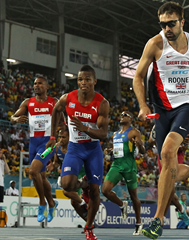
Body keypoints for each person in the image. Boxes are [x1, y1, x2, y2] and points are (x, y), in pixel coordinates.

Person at [133, 2, 189, 239]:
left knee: (169, 151)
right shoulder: (155, 44)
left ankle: (157, 220)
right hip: (161, 110)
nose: (167, 29)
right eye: (163, 25)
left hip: (186, 107)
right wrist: (142, 105)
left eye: (171, 24)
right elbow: (138, 76)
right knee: (166, 169)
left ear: (182, 22)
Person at [46, 65, 109, 240]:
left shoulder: (102, 103)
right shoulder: (68, 98)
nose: (83, 83)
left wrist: (85, 128)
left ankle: (89, 227)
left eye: (87, 79)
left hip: (93, 150)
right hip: (75, 148)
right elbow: (55, 110)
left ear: (94, 81)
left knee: (96, 192)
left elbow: (103, 133)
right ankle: (83, 184)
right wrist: (52, 135)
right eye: (80, 79)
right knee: (66, 185)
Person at [10, 76, 62, 223]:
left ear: (46, 87)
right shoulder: (28, 102)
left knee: (33, 171)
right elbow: (13, 117)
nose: (36, 86)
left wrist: (57, 144)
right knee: (42, 177)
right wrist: (16, 119)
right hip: (33, 143)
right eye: (34, 84)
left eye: (40, 83)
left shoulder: (54, 102)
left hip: (47, 144)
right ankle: (52, 202)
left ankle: (42, 202)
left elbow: (63, 123)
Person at [102, 111, 145, 236]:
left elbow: (141, 151)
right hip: (116, 165)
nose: (122, 116)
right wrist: (110, 151)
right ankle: (122, 204)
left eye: (125, 114)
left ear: (131, 118)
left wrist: (140, 146)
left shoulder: (134, 132)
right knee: (105, 190)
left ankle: (138, 223)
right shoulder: (115, 134)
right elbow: (117, 149)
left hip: (129, 167)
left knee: (134, 196)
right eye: (121, 115)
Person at [47, 125, 89, 221]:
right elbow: (57, 162)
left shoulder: (74, 147)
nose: (61, 139)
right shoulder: (57, 147)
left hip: (82, 173)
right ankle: (88, 223)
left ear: (70, 137)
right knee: (74, 203)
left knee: (67, 191)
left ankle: (83, 205)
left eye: (64, 137)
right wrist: (53, 166)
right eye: (59, 137)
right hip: (71, 174)